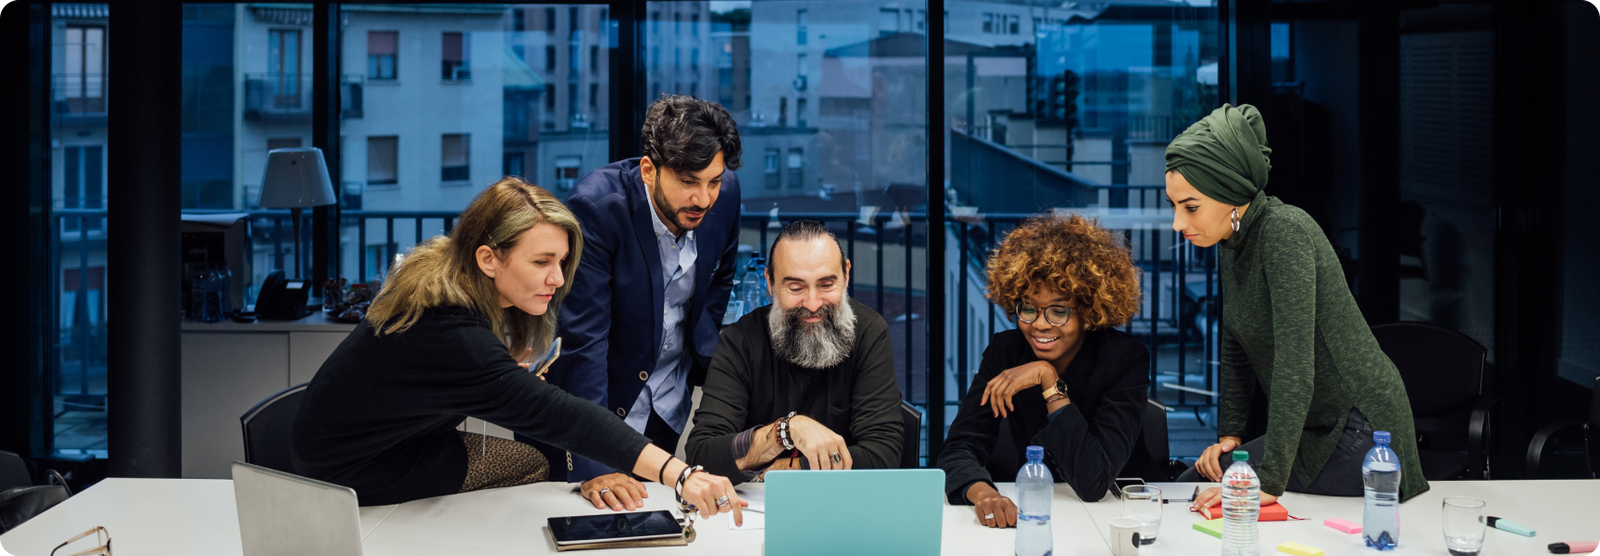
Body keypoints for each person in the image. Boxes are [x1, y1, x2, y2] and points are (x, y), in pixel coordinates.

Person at [290, 177, 745, 524]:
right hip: (354, 473)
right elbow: (566, 417)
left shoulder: (445, 279)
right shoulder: (454, 334)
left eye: (561, 261)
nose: (558, 279)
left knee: (534, 463)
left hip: (372, 444)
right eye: (542, 262)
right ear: (488, 258)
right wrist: (682, 474)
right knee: (531, 462)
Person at [1165, 104, 1429, 510]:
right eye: (1174, 206)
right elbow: (1235, 343)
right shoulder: (1232, 240)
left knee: (1213, 495)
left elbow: (1295, 365)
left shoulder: (1284, 232)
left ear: (1231, 194)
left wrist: (1268, 484)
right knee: (1198, 483)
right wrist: (1230, 437)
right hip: (1318, 425)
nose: (1178, 223)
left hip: (1363, 431)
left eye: (1191, 206)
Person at [532, 95, 744, 512]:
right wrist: (593, 462)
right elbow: (584, 342)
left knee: (655, 522)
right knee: (582, 523)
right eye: (689, 181)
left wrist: (700, 348)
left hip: (667, 403)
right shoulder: (596, 208)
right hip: (595, 406)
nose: (704, 198)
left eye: (713, 181)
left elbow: (720, 277)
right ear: (649, 169)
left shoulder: (727, 195)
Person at [938, 214, 1158, 528]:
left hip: (1124, 517)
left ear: (1088, 310)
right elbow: (959, 447)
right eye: (1028, 308)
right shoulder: (1006, 351)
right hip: (1038, 510)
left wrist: (1048, 378)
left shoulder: (1123, 358)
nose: (1040, 324)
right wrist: (983, 492)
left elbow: (1093, 483)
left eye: (1058, 311)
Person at [684, 221, 904, 482]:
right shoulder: (740, 340)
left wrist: (785, 470)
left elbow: (883, 456)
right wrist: (785, 431)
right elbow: (702, 456)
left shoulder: (869, 332)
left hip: (844, 501)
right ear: (770, 282)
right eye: (796, 288)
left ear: (846, 275)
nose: (812, 304)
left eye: (826, 284)